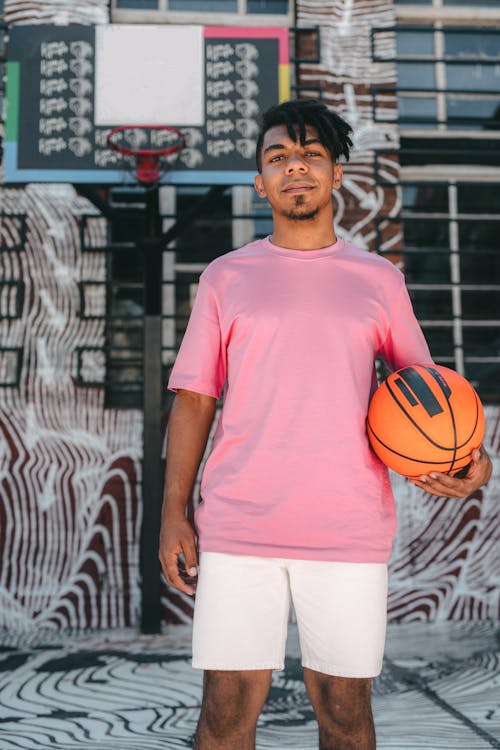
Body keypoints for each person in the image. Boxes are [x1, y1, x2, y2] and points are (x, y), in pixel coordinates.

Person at [159, 99, 492, 750]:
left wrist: (467, 460)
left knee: (345, 711)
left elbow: (426, 394)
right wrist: (174, 512)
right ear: (261, 182)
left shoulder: (376, 279)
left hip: (347, 528)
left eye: (312, 154)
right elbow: (195, 399)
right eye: (278, 157)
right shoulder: (227, 277)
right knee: (225, 714)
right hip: (239, 526)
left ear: (337, 174)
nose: (296, 167)